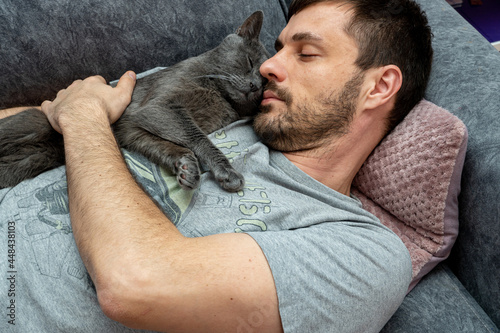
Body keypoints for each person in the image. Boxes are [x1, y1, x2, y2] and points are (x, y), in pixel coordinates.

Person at [0, 0, 432, 332]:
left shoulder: (362, 251)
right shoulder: (229, 99)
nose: (267, 65)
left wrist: (83, 118)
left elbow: (134, 283)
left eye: (306, 54)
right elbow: (54, 113)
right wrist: (76, 111)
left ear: (379, 86)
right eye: (278, 48)